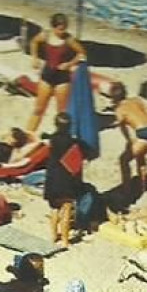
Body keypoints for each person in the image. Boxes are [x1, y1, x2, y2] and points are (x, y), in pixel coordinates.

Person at [25, 12, 86, 134]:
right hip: (47, 75)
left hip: (62, 78)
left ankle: (60, 136)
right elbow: (33, 42)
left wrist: (69, 64)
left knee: (62, 112)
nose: (62, 32)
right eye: (60, 29)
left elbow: (82, 54)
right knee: (38, 109)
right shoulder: (46, 35)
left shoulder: (69, 40)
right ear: (54, 27)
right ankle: (28, 134)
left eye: (64, 28)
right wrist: (35, 58)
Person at [107, 82, 147, 196]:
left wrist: (129, 140)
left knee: (124, 160)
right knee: (140, 156)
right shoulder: (136, 100)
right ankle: (143, 186)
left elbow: (124, 129)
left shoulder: (119, 110)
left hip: (144, 133)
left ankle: (127, 190)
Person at [43, 112, 85, 245]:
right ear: (69, 126)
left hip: (52, 177)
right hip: (66, 178)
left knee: (54, 208)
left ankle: (53, 237)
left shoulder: (52, 140)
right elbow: (78, 162)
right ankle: (66, 240)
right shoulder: (73, 142)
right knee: (67, 208)